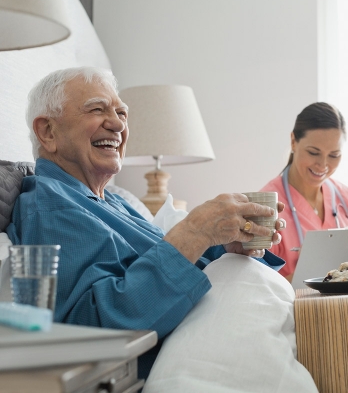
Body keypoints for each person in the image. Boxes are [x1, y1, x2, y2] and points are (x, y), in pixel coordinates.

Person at [6, 66, 286, 379]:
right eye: (97, 109)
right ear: (48, 132)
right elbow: (96, 328)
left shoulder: (114, 200)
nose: (117, 124)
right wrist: (194, 231)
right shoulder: (51, 204)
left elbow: (172, 267)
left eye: (121, 112)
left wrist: (225, 245)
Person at [260, 102, 348, 283]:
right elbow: (261, 285)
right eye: (314, 152)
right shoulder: (266, 205)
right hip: (292, 309)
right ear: (293, 141)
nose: (323, 165)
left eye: (334, 155)